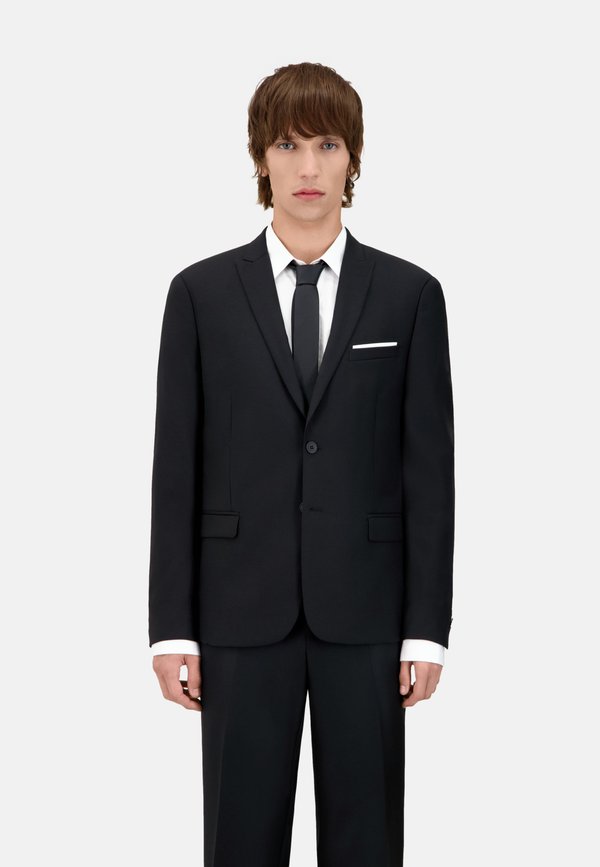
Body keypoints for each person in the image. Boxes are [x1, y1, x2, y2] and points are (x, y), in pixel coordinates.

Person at [148, 61, 454, 867]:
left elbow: (429, 473)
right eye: (287, 144)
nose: (308, 166)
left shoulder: (410, 294)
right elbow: (175, 468)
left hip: (369, 614)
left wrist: (427, 628)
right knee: (240, 843)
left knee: (367, 843)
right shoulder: (200, 295)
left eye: (327, 144)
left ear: (353, 157)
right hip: (238, 612)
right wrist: (171, 625)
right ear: (260, 157)